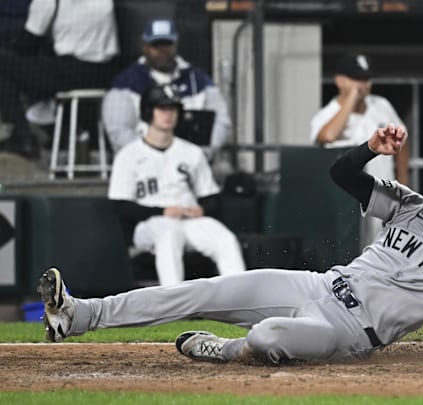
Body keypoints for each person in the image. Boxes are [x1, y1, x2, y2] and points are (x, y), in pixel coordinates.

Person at [39, 124, 423, 367]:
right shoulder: (412, 206)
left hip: (348, 334)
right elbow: (342, 175)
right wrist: (369, 148)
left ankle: (226, 351)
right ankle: (79, 315)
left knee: (267, 336)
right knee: (200, 291)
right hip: (316, 287)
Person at [108, 84, 246, 286]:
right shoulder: (129, 155)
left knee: (225, 238)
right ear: (148, 112)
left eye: (172, 109)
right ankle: (173, 304)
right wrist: (163, 211)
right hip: (151, 223)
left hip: (190, 219)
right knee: (169, 235)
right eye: (162, 108)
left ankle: (241, 300)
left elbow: (213, 200)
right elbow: (121, 207)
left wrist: (202, 209)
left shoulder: (191, 152)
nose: (168, 114)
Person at [310, 53, 410, 249]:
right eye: (356, 79)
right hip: (348, 204)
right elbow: (327, 136)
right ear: (340, 80)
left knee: (386, 252)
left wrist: (403, 182)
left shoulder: (380, 105)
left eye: (366, 79)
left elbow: (403, 139)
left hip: (384, 194)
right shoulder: (328, 114)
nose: (363, 85)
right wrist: (350, 98)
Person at [0, 0, 119, 158]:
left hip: (73, 73)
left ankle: (23, 137)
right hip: (107, 72)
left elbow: (28, 41)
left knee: (5, 64)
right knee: (22, 70)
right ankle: (45, 114)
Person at [102, 17, 231, 160]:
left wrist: (204, 153)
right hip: (144, 166)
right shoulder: (126, 82)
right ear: (145, 46)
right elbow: (119, 131)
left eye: (167, 44)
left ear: (176, 44)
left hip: (194, 163)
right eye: (156, 45)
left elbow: (221, 122)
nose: (162, 51)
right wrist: (153, 157)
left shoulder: (198, 79)